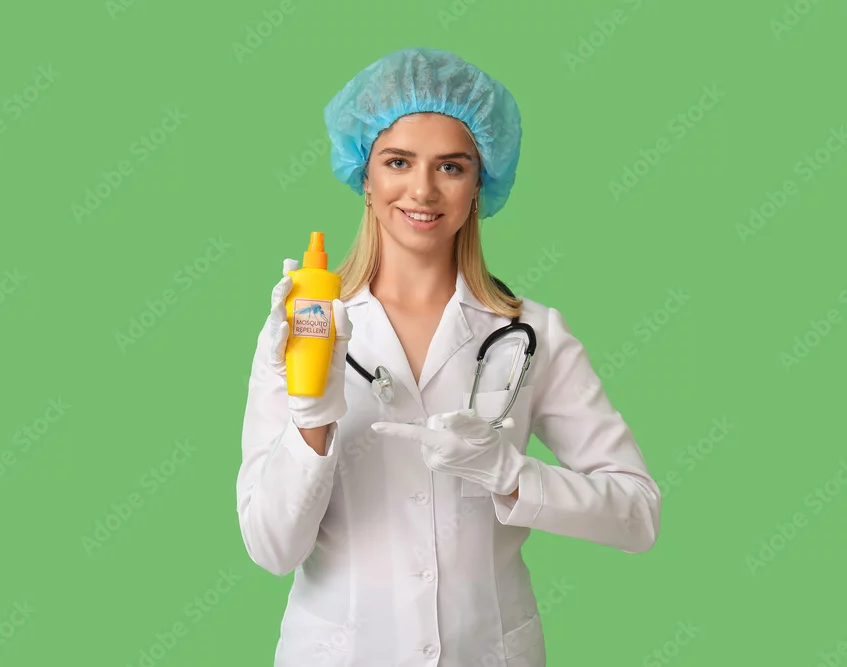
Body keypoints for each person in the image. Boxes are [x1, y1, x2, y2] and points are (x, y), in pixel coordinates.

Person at [237, 46, 661, 667]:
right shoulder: (304, 329)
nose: (422, 189)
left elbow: (638, 515)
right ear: (365, 176)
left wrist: (510, 474)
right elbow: (271, 549)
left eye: (451, 167)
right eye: (398, 161)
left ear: (480, 183)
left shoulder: (532, 333)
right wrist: (311, 423)